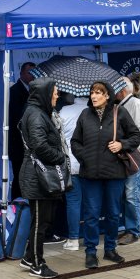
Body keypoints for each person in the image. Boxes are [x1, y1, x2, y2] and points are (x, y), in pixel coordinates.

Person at [71, 81, 140, 269]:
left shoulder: (120, 112)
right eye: (92, 92)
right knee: (91, 215)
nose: (94, 96)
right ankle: (91, 252)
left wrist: (122, 145)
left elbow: (136, 136)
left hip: (114, 173)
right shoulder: (85, 115)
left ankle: (110, 249)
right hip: (90, 175)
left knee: (112, 214)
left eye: (98, 93)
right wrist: (84, 156)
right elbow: (75, 142)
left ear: (107, 95)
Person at [18, 77, 65, 279]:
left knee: (42, 220)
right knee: (40, 222)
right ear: (45, 93)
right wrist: (60, 156)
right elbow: (40, 146)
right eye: (54, 91)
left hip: (39, 175)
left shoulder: (40, 112)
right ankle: (37, 265)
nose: (57, 95)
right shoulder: (36, 114)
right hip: (37, 176)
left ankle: (29, 257)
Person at [115, 77, 140, 246]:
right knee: (126, 194)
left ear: (122, 90)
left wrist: (135, 152)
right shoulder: (121, 105)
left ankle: (133, 231)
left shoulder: (135, 104)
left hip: (134, 158)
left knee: (131, 195)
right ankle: (128, 228)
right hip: (125, 157)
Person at [58, 92, 86, 251]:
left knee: (73, 202)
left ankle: (73, 239)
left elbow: (57, 136)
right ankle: (90, 237)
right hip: (90, 164)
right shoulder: (93, 111)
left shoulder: (65, 111)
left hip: (72, 163)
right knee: (91, 202)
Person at [8, 62, 36, 200]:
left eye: (34, 73)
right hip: (18, 144)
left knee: (28, 178)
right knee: (19, 177)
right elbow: (16, 118)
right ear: (21, 74)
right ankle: (15, 208)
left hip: (30, 145)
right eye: (30, 72)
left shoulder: (34, 91)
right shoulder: (14, 92)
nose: (32, 75)